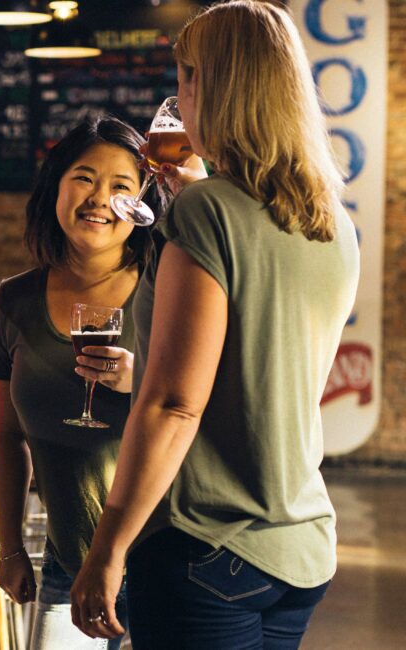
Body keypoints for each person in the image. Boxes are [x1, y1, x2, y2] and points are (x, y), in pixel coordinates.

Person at [69, 2, 361, 648]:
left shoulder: (207, 215)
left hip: (205, 546)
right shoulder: (329, 221)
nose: (179, 94)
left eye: (187, 76)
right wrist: (196, 193)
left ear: (215, 86)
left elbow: (174, 404)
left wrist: (109, 546)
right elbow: (259, 361)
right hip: (299, 544)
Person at [0, 115, 164, 650]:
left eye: (121, 187)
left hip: (167, 559)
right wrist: (11, 544)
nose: (99, 199)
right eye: (84, 178)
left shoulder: (169, 285)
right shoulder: (15, 300)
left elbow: (209, 409)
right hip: (68, 559)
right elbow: (8, 435)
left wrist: (139, 380)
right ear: (56, 187)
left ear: (141, 205)